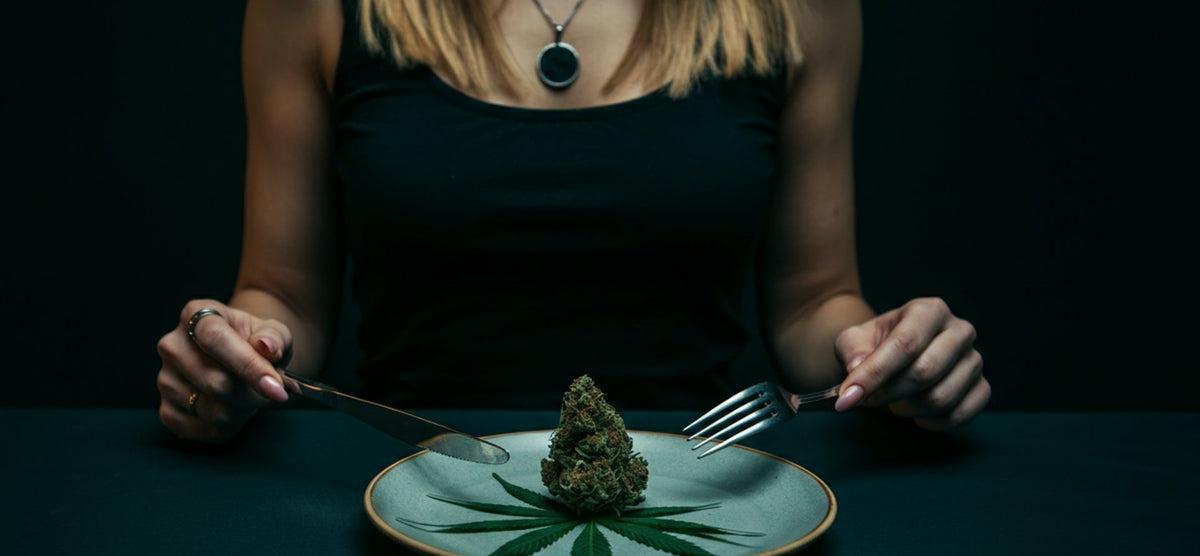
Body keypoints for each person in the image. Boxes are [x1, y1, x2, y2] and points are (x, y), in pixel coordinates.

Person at [157, 0, 990, 443]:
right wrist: (235, 341)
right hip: (415, 495)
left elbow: (816, 305)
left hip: (700, 506)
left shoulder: (797, 6)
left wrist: (885, 351)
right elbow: (280, 292)